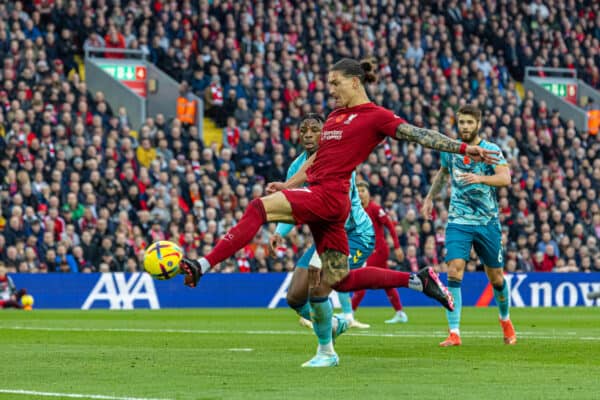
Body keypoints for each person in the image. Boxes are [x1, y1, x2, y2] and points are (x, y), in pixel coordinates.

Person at [179, 58, 498, 367]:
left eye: (336, 83)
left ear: (355, 82)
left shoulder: (376, 116)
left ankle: (204, 264)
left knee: (258, 209)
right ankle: (414, 283)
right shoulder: (333, 117)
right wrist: (288, 185)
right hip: (327, 202)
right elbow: (316, 161)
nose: (331, 89)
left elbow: (418, 134)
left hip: (328, 196)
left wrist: (462, 147)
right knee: (339, 282)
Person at [269, 113, 375, 337]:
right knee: (295, 297)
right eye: (303, 130)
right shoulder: (296, 168)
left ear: (325, 133)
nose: (308, 135)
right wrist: (279, 232)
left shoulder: (339, 161)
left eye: (314, 130)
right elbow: (290, 203)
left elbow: (341, 212)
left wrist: (319, 256)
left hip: (355, 234)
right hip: (325, 238)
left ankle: (326, 346)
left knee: (320, 286)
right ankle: (335, 324)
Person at [421, 104, 516, 347]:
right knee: (454, 270)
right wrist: (430, 197)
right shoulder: (451, 150)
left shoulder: (491, 149)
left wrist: (481, 178)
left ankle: (505, 320)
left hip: (487, 222)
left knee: (496, 278)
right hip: (458, 222)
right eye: (461, 122)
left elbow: (505, 178)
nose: (464, 127)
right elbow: (443, 174)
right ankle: (454, 332)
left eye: (469, 123)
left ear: (478, 124)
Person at [351, 181, 408, 324]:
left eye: (363, 190)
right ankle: (400, 313)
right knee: (386, 282)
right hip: (365, 250)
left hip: (378, 250)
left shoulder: (375, 208)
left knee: (361, 279)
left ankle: (349, 313)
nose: (360, 193)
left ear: (368, 193)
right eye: (358, 191)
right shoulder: (355, 210)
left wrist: (397, 246)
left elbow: (390, 225)